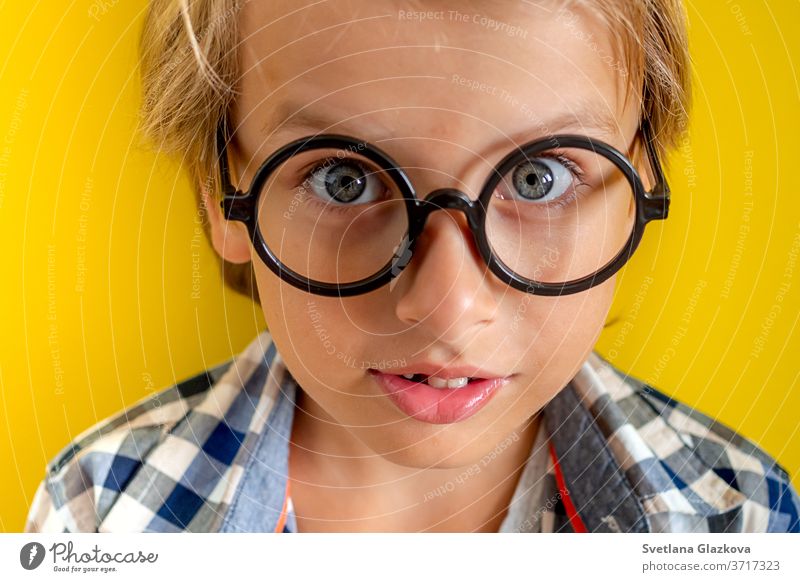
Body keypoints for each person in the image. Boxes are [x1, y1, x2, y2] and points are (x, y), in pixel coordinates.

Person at [25, 0, 800, 533]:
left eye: (539, 179)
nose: (445, 305)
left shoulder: (741, 516)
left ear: (642, 192)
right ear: (220, 197)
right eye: (343, 180)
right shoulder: (101, 513)